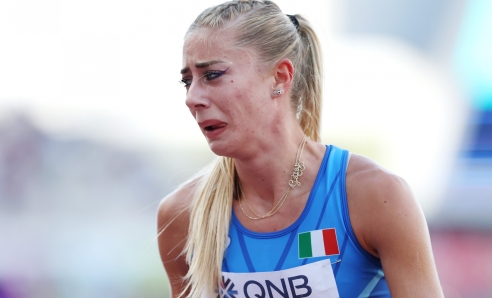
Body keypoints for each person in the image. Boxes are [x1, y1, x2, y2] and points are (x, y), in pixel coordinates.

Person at [157, 0, 444, 297]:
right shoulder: (183, 214)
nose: (193, 98)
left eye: (212, 75)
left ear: (280, 77)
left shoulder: (374, 196)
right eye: (187, 81)